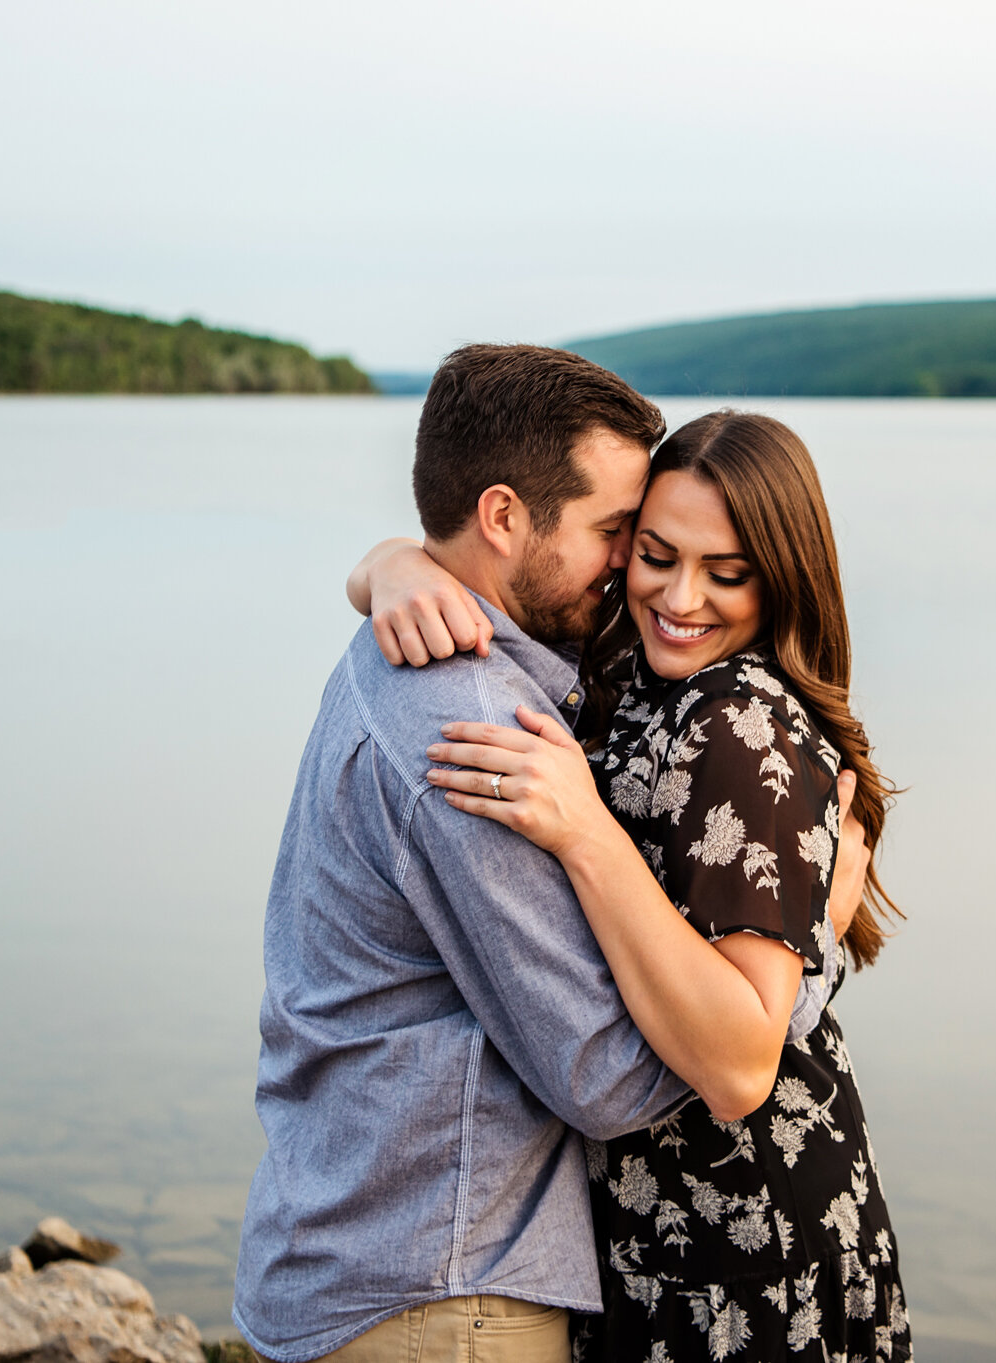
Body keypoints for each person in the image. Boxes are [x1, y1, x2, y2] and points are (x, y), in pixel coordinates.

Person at [235, 345, 870, 1363]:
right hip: (441, 1296)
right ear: (500, 518)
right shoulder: (477, 728)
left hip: (379, 1256)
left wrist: (390, 561)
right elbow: (607, 1077)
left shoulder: (461, 648)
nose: (634, 571)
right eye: (620, 535)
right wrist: (814, 948)